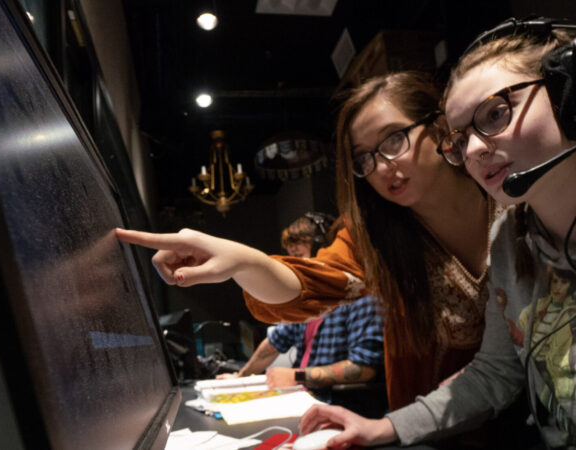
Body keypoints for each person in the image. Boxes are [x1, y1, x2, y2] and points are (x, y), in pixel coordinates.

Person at [116, 70, 509, 447]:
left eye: (394, 139)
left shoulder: (514, 202)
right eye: (365, 158)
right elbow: (312, 283)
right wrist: (244, 262)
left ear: (439, 128)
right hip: (431, 429)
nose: (382, 166)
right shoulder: (374, 240)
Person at [296, 18, 576, 449]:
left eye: (496, 114)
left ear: (567, 95)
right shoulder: (508, 238)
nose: (476, 149)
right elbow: (496, 372)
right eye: (462, 139)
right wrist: (381, 428)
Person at [217, 214, 385, 408]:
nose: (293, 267)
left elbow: (364, 368)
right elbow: (273, 344)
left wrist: (296, 376)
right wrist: (240, 378)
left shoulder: (363, 297)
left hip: (335, 405)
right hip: (304, 399)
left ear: (324, 250)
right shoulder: (306, 300)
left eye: (298, 257)